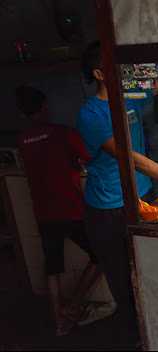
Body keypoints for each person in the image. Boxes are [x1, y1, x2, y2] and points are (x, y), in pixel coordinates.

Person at [77, 42, 158, 339]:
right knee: (125, 283)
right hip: (109, 209)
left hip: (142, 197)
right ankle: (136, 339)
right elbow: (129, 157)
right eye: (114, 65)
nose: (123, 71)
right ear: (99, 73)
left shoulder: (130, 97)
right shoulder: (91, 115)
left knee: (152, 271)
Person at [16, 86, 103, 336]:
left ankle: (58, 321)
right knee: (100, 256)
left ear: (23, 114)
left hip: (43, 213)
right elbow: (89, 157)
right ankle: (75, 303)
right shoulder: (63, 134)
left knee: (52, 267)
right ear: (45, 107)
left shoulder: (22, 140)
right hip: (72, 209)